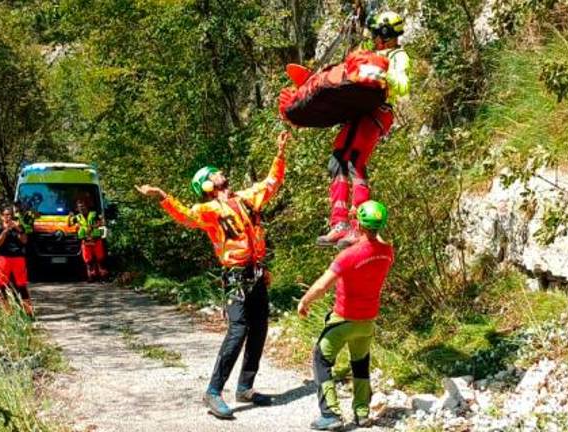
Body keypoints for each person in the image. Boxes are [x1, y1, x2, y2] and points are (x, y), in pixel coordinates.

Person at [136, 131, 290, 420]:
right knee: (238, 330)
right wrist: (163, 198)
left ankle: (245, 387)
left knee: (259, 329)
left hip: (256, 274)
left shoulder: (245, 198)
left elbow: (272, 183)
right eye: (215, 173)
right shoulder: (207, 209)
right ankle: (213, 391)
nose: (221, 174)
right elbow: (185, 215)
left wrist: (279, 153)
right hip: (235, 277)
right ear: (206, 184)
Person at [317, 11, 410, 249]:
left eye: (378, 34)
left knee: (354, 160)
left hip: (378, 111)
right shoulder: (373, 53)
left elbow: (402, 86)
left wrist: (383, 72)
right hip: (359, 111)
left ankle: (358, 226)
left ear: (387, 34)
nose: (376, 38)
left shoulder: (398, 56)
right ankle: (339, 223)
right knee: (337, 160)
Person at [299, 201, 394, 430]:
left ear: (359, 225)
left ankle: (330, 414)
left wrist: (305, 301)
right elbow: (374, 240)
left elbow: (322, 286)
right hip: (367, 321)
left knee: (321, 359)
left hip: (344, 318)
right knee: (360, 364)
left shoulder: (348, 256)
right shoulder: (387, 253)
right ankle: (362, 413)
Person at [0, 205, 33, 316]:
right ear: (1, 216)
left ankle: (28, 312)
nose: (9, 217)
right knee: (1, 285)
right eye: (6, 215)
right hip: (3, 258)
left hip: (18, 258)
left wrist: (18, 229)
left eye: (11, 215)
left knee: (21, 285)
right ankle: (6, 313)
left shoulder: (18, 227)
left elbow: (24, 241)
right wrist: (5, 230)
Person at [67, 200, 108, 282]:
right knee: (88, 260)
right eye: (79, 207)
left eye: (83, 206)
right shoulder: (77, 217)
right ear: (77, 209)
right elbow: (69, 225)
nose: (81, 208)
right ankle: (91, 276)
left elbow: (103, 223)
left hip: (96, 239)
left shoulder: (94, 214)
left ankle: (103, 276)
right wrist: (69, 217)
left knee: (100, 258)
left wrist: (92, 226)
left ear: (87, 207)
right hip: (85, 241)